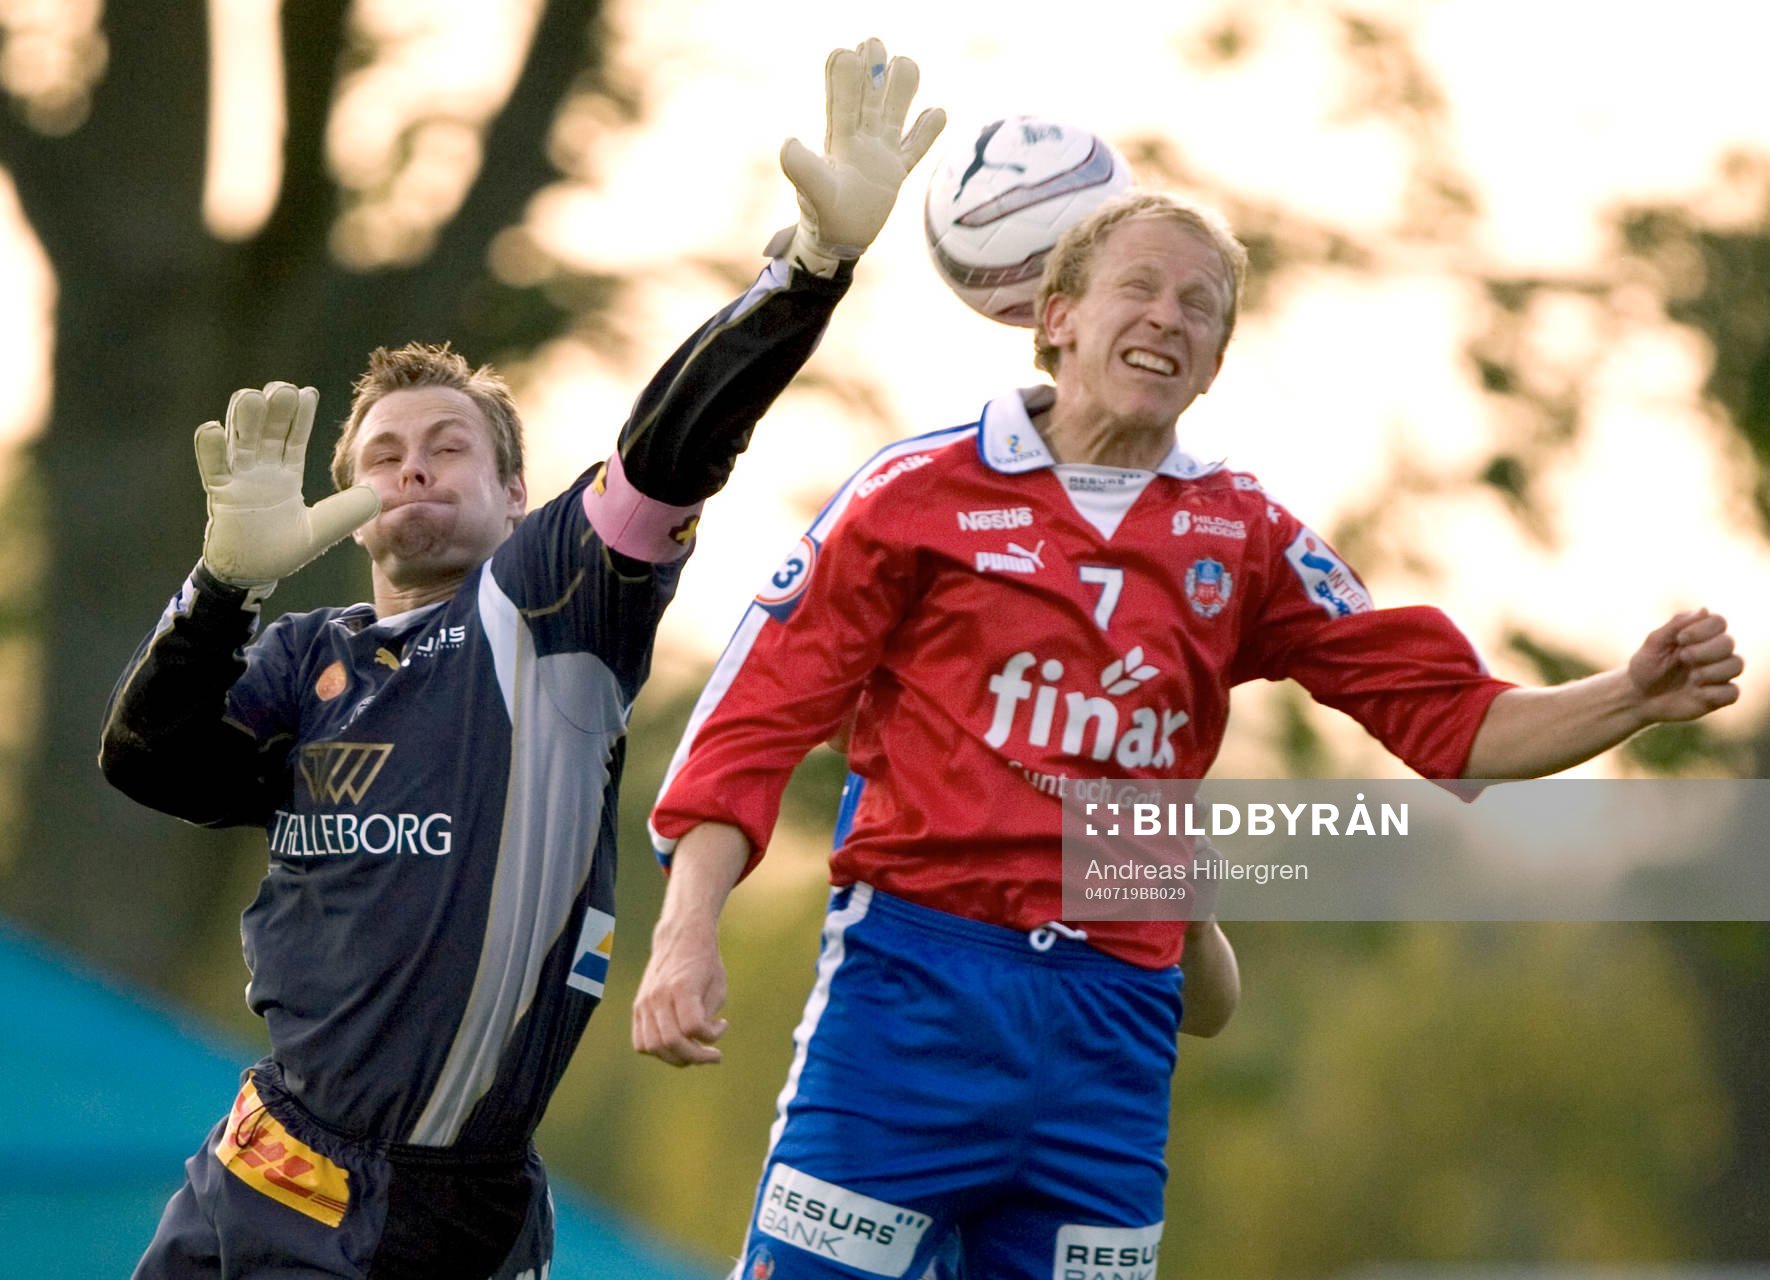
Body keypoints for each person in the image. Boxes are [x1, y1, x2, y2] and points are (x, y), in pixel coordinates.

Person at [633, 190, 1744, 1279]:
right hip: (915, 994)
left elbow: (1456, 724)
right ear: (1055, 315)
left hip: (1115, 1027)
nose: (1168, 315)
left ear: (1215, 363)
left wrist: (1632, 693)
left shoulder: (1247, 536)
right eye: (1139, 288)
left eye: (1200, 305)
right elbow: (750, 723)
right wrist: (687, 932)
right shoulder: (912, 493)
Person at [98, 38, 943, 1280]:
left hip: (441, 1207)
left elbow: (670, 448)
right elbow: (149, 763)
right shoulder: (300, 653)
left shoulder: (551, 608)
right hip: (255, 1161)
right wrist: (223, 587)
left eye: (449, 445)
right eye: (383, 454)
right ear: (345, 503)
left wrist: (806, 274)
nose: (413, 465)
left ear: (516, 494)